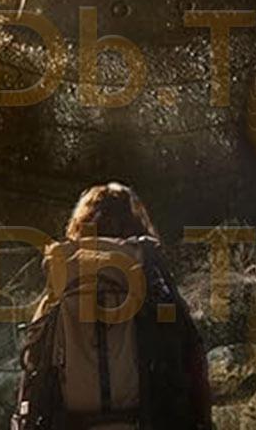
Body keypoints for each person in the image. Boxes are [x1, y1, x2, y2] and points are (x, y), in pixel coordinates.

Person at [13, 183, 213, 429]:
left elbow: (32, 370)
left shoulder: (62, 283)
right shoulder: (152, 281)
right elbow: (193, 357)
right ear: (136, 224)